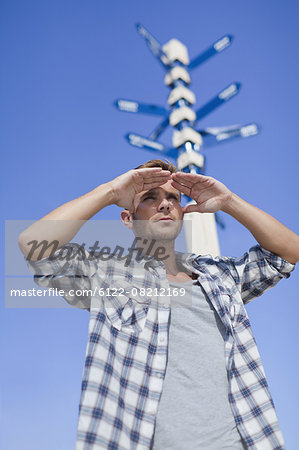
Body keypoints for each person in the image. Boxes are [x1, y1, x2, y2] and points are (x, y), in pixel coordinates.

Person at [18, 159, 298, 450]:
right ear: (128, 218)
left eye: (172, 198)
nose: (164, 205)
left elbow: (287, 252)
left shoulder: (219, 275)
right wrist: (111, 192)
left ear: (181, 212)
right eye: (150, 198)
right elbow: (33, 246)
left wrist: (229, 201)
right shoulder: (106, 273)